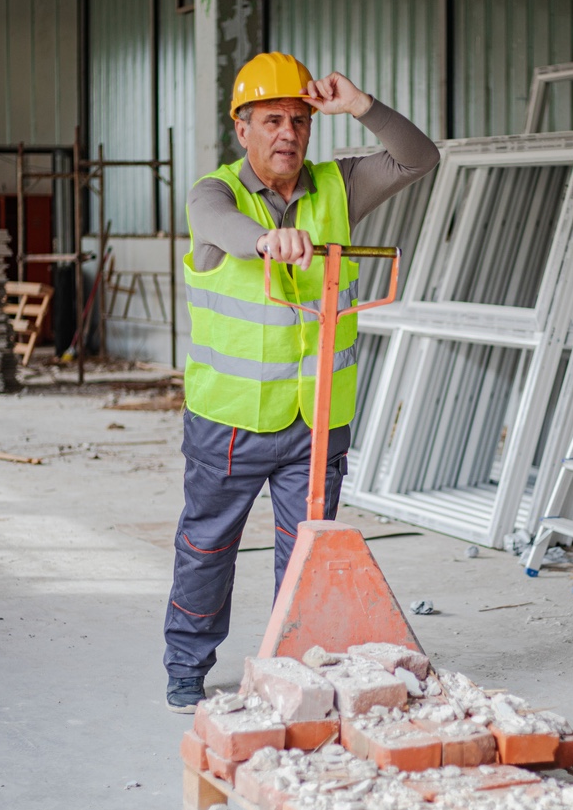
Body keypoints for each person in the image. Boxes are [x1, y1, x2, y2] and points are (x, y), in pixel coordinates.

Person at [163, 52, 439, 713]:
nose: (288, 132)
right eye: (271, 120)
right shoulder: (216, 192)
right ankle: (185, 666)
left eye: (299, 119)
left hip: (316, 423)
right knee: (207, 551)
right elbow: (219, 228)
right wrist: (264, 242)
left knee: (307, 557)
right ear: (243, 129)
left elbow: (420, 157)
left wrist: (363, 107)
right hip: (229, 422)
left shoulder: (338, 185)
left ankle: (295, 669)